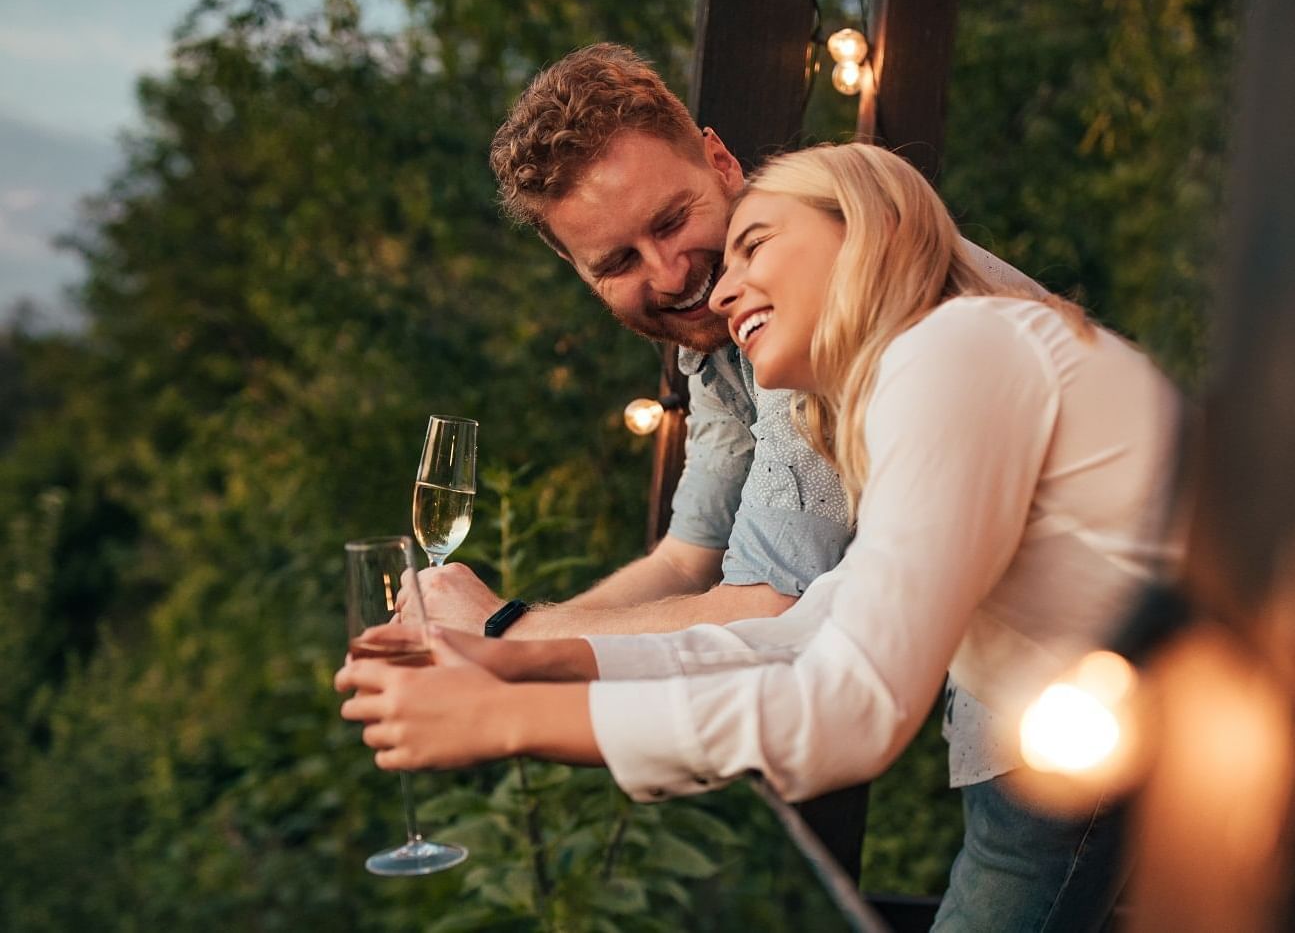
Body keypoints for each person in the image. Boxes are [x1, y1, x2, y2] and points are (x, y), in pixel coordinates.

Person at [337, 141, 1183, 930]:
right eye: (622, 259)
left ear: (868, 225)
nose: (716, 285)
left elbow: (850, 709)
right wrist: (519, 662)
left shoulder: (952, 350)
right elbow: (796, 631)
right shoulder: (911, 377)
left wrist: (505, 717)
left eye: (754, 245)